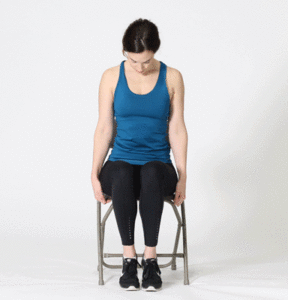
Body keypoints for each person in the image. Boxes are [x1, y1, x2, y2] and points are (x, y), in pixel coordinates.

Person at [91, 18, 188, 291]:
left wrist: (183, 175)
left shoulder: (172, 77)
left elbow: (177, 128)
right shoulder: (111, 77)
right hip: (120, 163)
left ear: (155, 52)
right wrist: (94, 171)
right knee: (121, 171)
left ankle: (151, 259)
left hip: (158, 166)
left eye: (145, 61)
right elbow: (104, 128)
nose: (139, 67)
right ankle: (129, 259)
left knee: (151, 171)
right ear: (125, 53)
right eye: (133, 61)